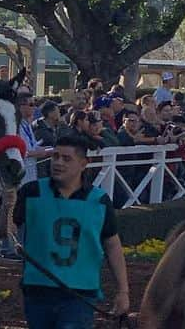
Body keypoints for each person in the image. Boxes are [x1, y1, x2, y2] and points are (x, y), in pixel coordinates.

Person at [15, 133, 129, 328]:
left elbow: (112, 245)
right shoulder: (31, 192)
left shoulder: (99, 200)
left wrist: (123, 291)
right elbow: (4, 230)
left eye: (66, 158)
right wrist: (7, 198)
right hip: (37, 290)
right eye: (55, 157)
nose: (58, 163)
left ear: (84, 163)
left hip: (79, 294)